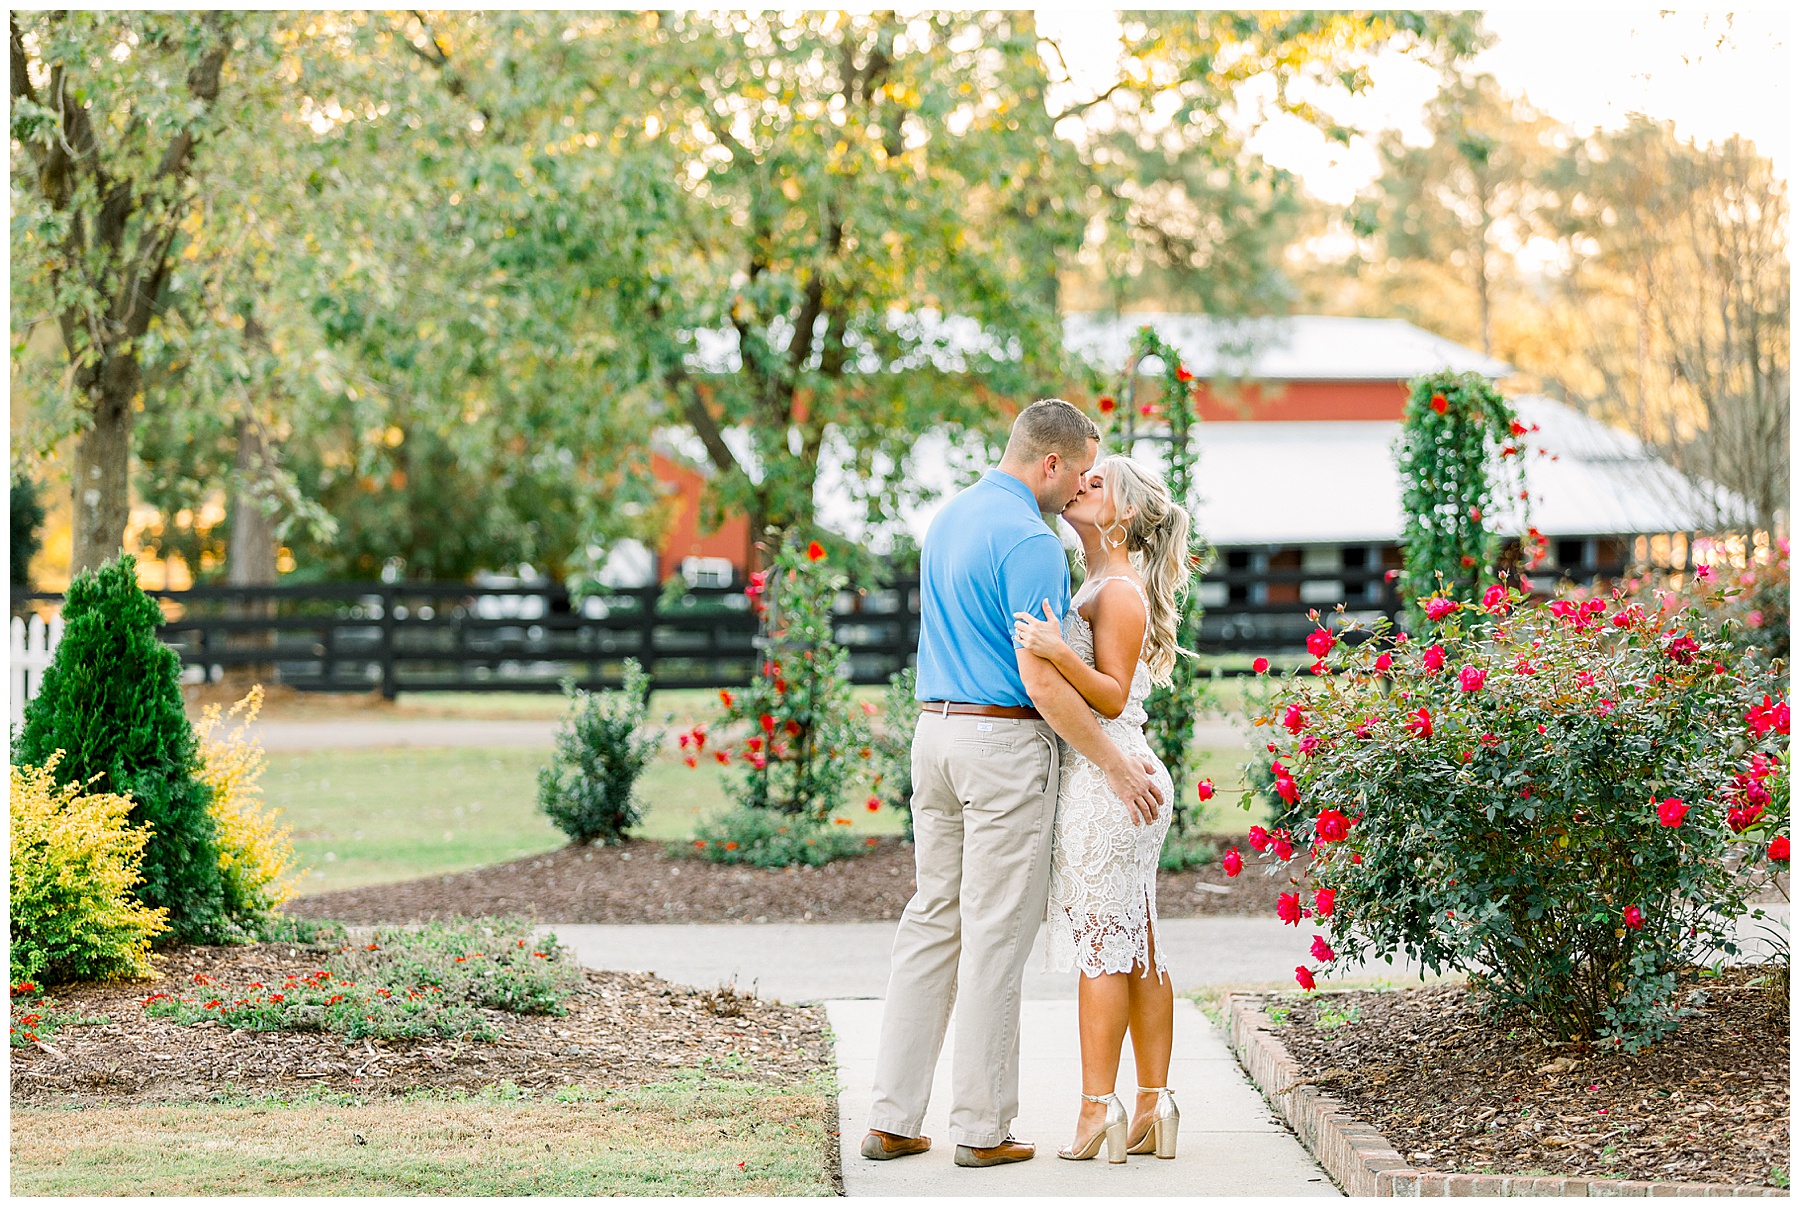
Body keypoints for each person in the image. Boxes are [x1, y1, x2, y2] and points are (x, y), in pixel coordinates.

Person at [860, 399, 1166, 1169]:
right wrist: (1113, 759)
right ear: (1051, 462)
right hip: (1000, 745)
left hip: (934, 733)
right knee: (996, 932)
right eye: (1078, 476)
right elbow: (1042, 678)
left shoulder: (951, 518)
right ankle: (983, 1125)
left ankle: (893, 1116)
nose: (1077, 495)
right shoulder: (1033, 541)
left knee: (931, 921)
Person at [1012, 455, 1193, 1165]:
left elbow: (1113, 695)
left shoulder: (1116, 589)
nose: (1078, 488)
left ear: (1120, 513)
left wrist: (1058, 648)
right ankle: (1153, 1102)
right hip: (1122, 772)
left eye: (1095, 486)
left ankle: (1098, 1110)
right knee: (1137, 939)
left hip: (1112, 777)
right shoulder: (1098, 580)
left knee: (1104, 946)